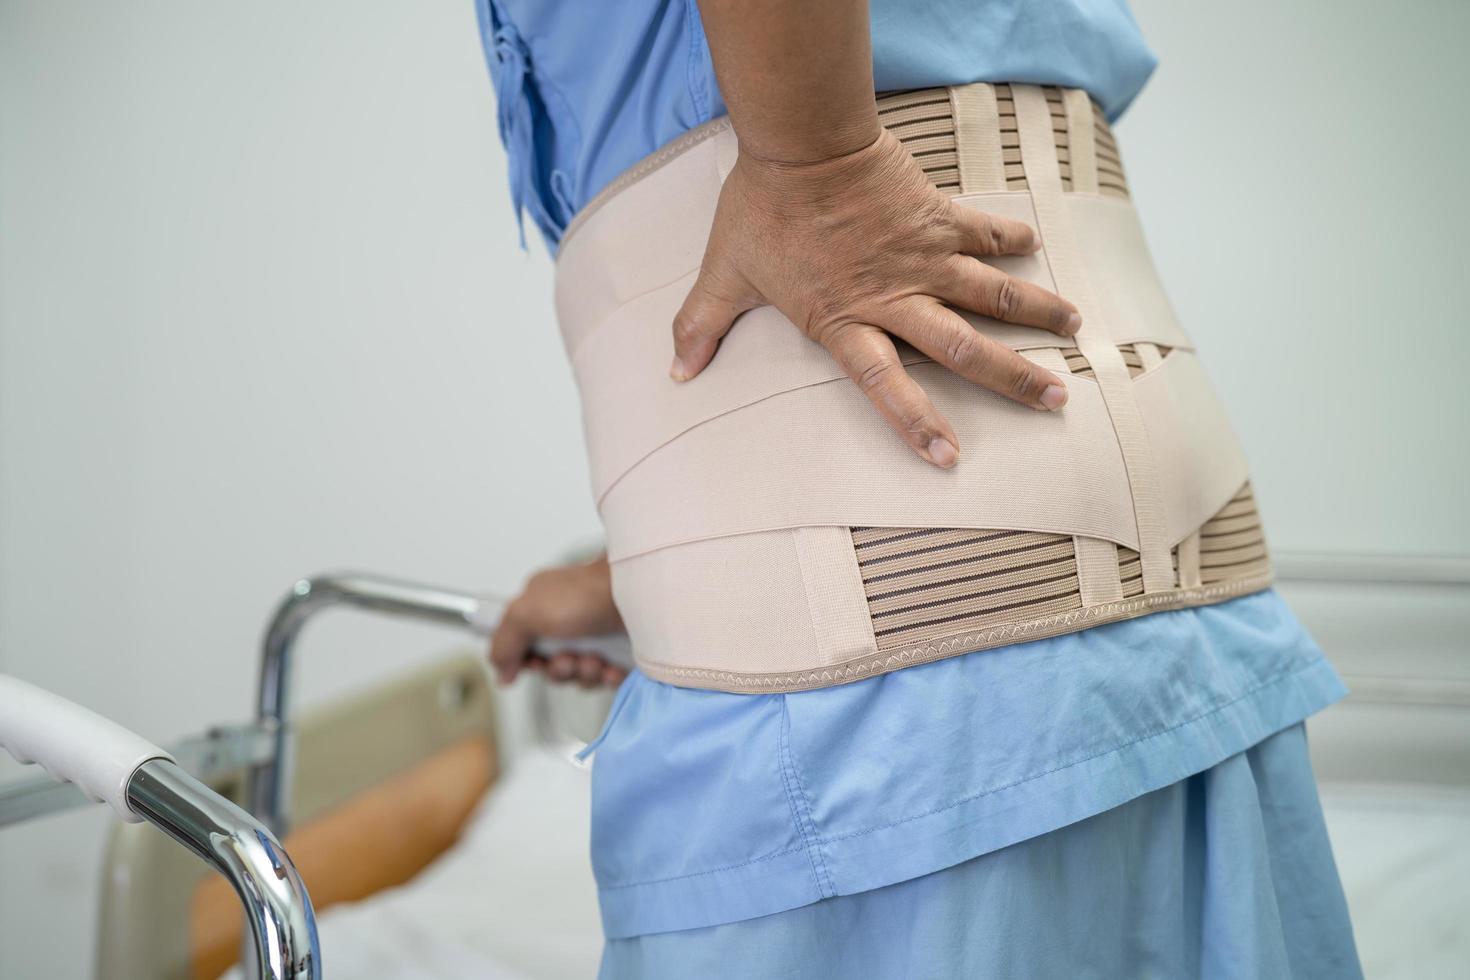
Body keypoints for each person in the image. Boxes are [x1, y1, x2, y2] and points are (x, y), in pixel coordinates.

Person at [480, 1, 1362, 976]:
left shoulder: (808, 155)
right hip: (1141, 637)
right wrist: (683, 567)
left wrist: (814, 167)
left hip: (900, 714)